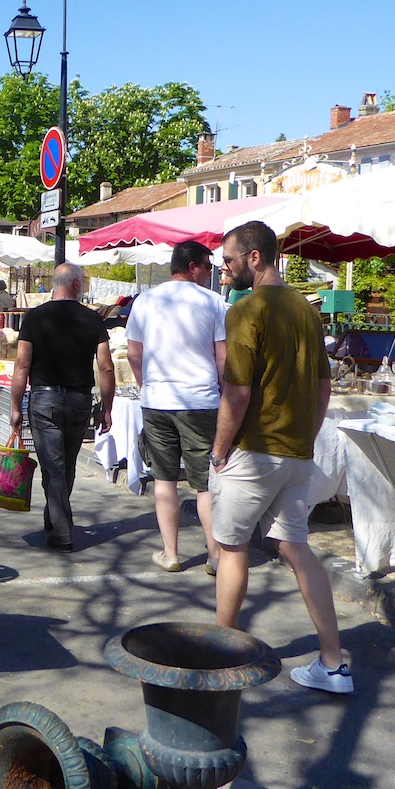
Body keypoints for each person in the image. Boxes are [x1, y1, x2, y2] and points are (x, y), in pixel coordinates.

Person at [210, 221, 348, 695]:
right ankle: (333, 663)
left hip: (254, 451)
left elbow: (238, 390)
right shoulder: (307, 312)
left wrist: (219, 449)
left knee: (231, 549)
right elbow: (324, 386)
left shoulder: (247, 311)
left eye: (228, 261)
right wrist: (305, 434)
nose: (224, 271)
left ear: (255, 257)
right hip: (295, 451)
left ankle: (221, 656)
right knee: (296, 548)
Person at [125, 240, 227, 575]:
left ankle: (171, 552)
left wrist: (147, 386)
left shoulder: (145, 301)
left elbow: (134, 355)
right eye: (208, 266)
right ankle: (214, 555)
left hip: (157, 400)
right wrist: (223, 390)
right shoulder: (214, 303)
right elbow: (222, 357)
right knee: (204, 483)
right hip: (200, 401)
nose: (211, 272)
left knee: (164, 479)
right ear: (193, 266)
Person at [9, 263, 115, 553]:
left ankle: (63, 531)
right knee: (65, 465)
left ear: (55, 284)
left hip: (44, 400)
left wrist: (15, 406)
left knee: (54, 467)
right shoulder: (93, 319)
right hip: (80, 400)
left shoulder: (35, 317)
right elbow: (106, 367)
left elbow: (21, 365)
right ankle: (54, 518)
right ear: (77, 285)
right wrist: (107, 409)